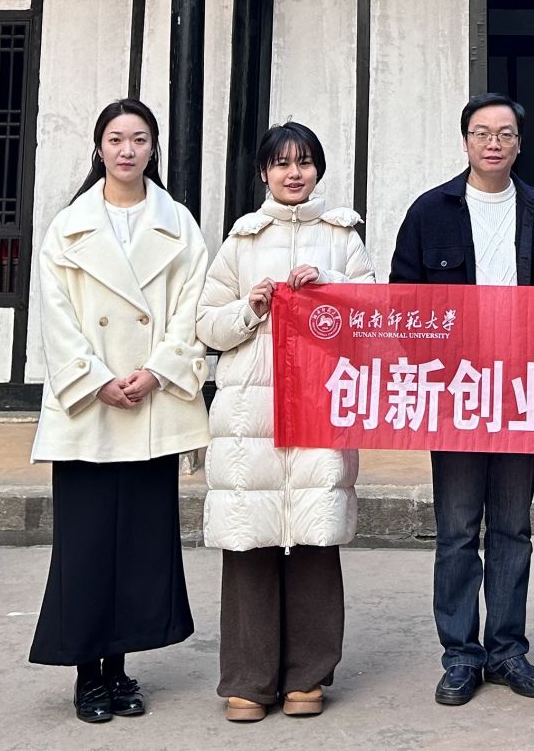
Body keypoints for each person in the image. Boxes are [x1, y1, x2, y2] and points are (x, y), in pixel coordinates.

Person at [29, 99, 211, 723]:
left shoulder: (178, 223)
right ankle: (88, 675)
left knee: (139, 544)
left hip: (151, 400)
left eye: (138, 139)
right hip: (91, 405)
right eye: (115, 139)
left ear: (153, 148)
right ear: (99, 148)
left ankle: (120, 668)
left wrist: (158, 369)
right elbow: (55, 315)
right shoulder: (69, 227)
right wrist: (95, 378)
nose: (127, 150)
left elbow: (192, 306)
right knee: (85, 546)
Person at [197, 122, 376, 722]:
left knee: (314, 539)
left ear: (318, 170)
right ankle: (248, 680)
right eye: (281, 163)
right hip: (251, 413)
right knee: (250, 540)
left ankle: (309, 676)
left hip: (320, 403)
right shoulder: (242, 239)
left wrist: (329, 287)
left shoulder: (343, 236)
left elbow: (374, 312)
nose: (293, 173)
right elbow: (207, 324)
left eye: (303, 162)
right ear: (263, 173)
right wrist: (250, 308)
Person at [390, 92, 534, 707]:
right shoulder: (430, 211)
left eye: (505, 133)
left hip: (521, 390)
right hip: (455, 391)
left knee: (512, 526)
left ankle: (507, 650)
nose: (493, 143)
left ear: (519, 144)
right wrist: (431, 377)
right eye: (482, 132)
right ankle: (461, 655)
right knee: (458, 528)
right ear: (465, 141)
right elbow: (403, 303)